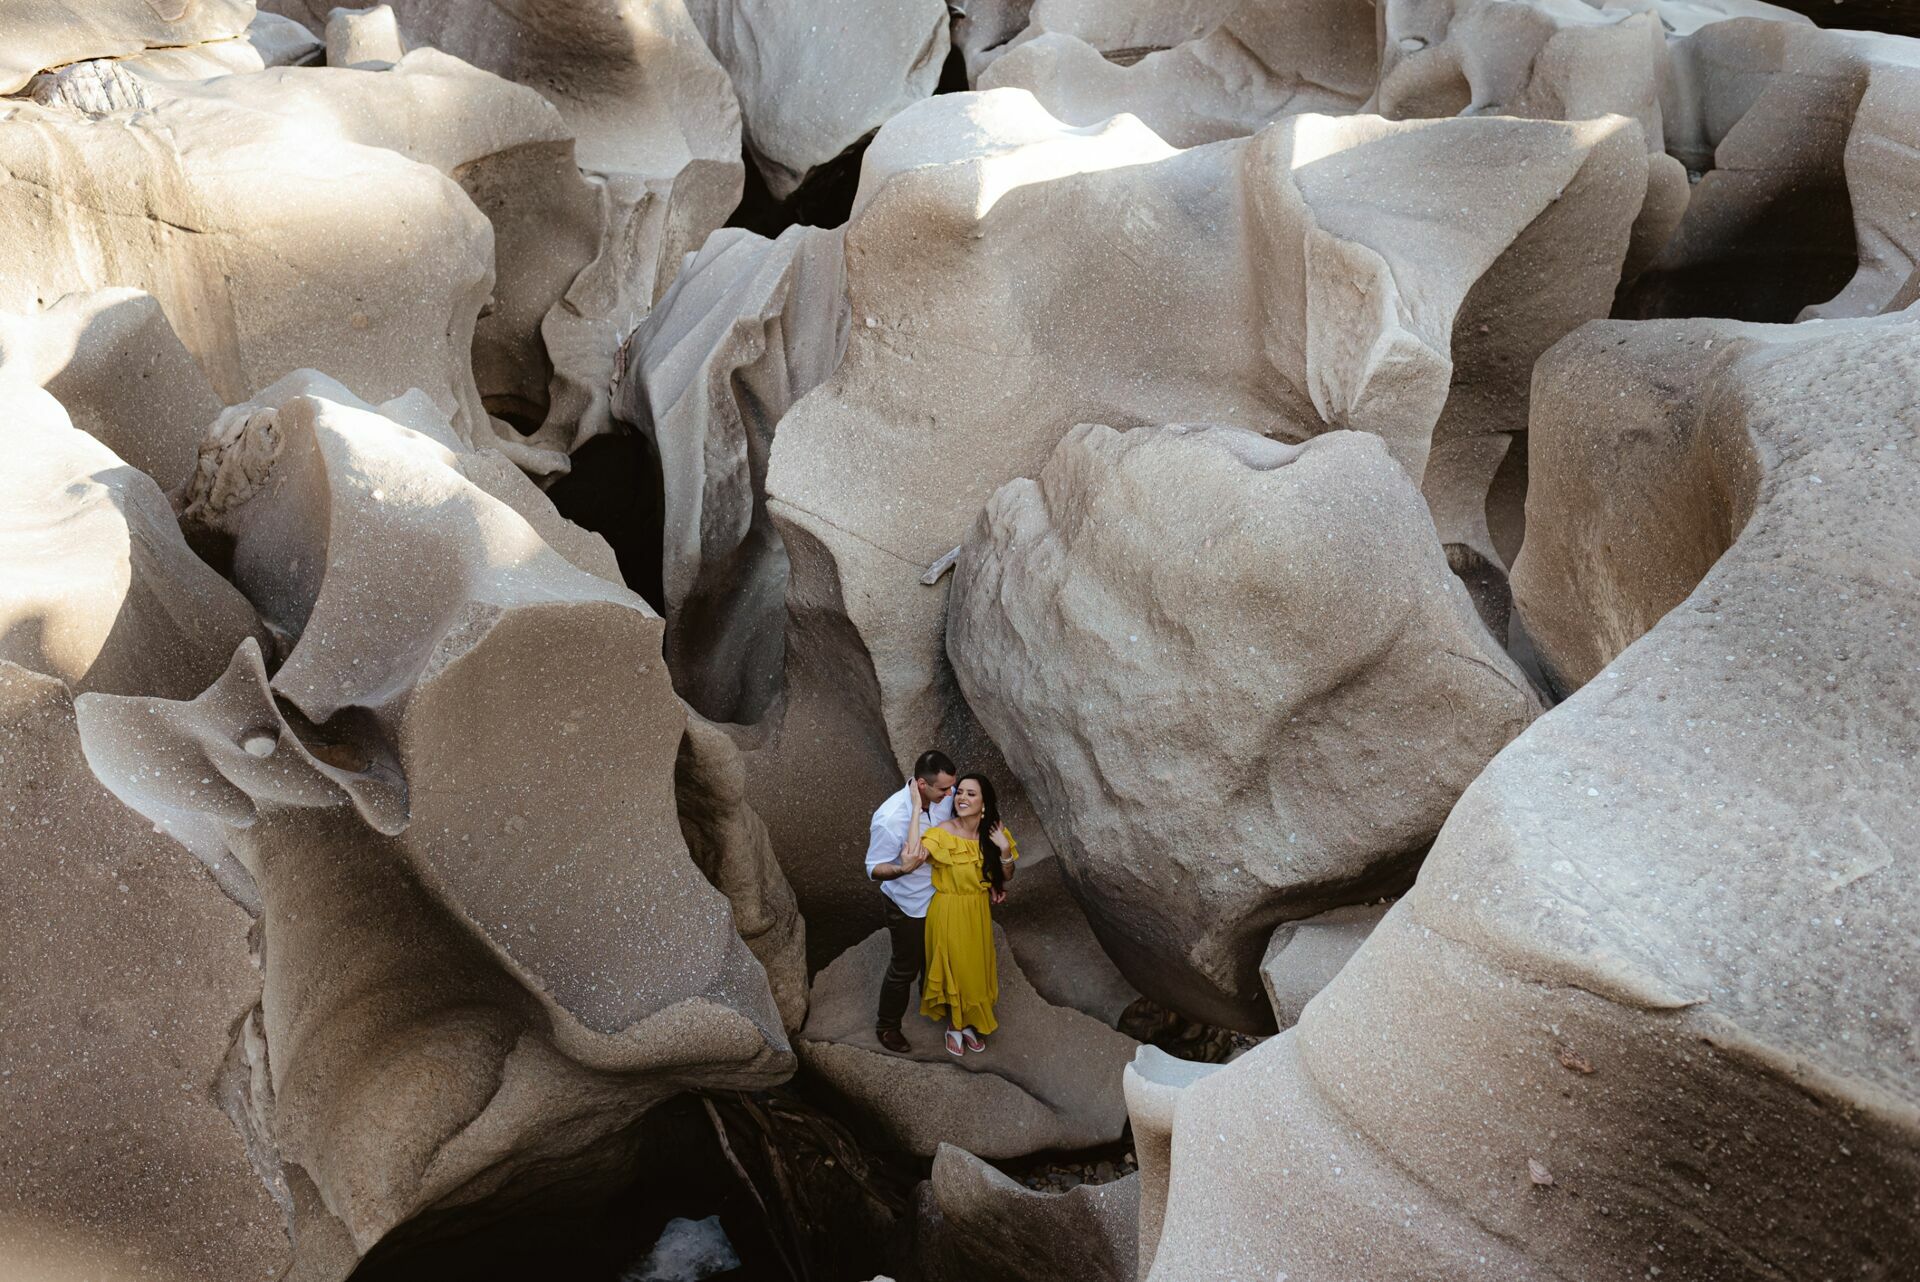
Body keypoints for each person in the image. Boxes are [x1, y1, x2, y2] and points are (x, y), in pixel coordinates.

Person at [899, 772, 1018, 1056]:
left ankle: (965, 1022)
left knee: (974, 970)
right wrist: (916, 809)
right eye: (960, 792)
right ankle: (956, 1025)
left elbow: (1007, 875)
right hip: (948, 910)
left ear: (984, 801)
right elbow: (911, 859)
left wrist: (1003, 848)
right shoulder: (944, 832)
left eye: (971, 793)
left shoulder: (994, 832)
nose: (962, 798)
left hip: (977, 910)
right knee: (956, 969)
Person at [864, 750, 956, 1054]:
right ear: (921, 784)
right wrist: (903, 869)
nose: (950, 793)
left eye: (950, 787)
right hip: (908, 903)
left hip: (942, 896)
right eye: (943, 789)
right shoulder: (891, 818)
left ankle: (930, 997)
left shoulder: (946, 797)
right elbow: (873, 868)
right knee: (905, 966)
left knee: (938, 956)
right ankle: (887, 1026)